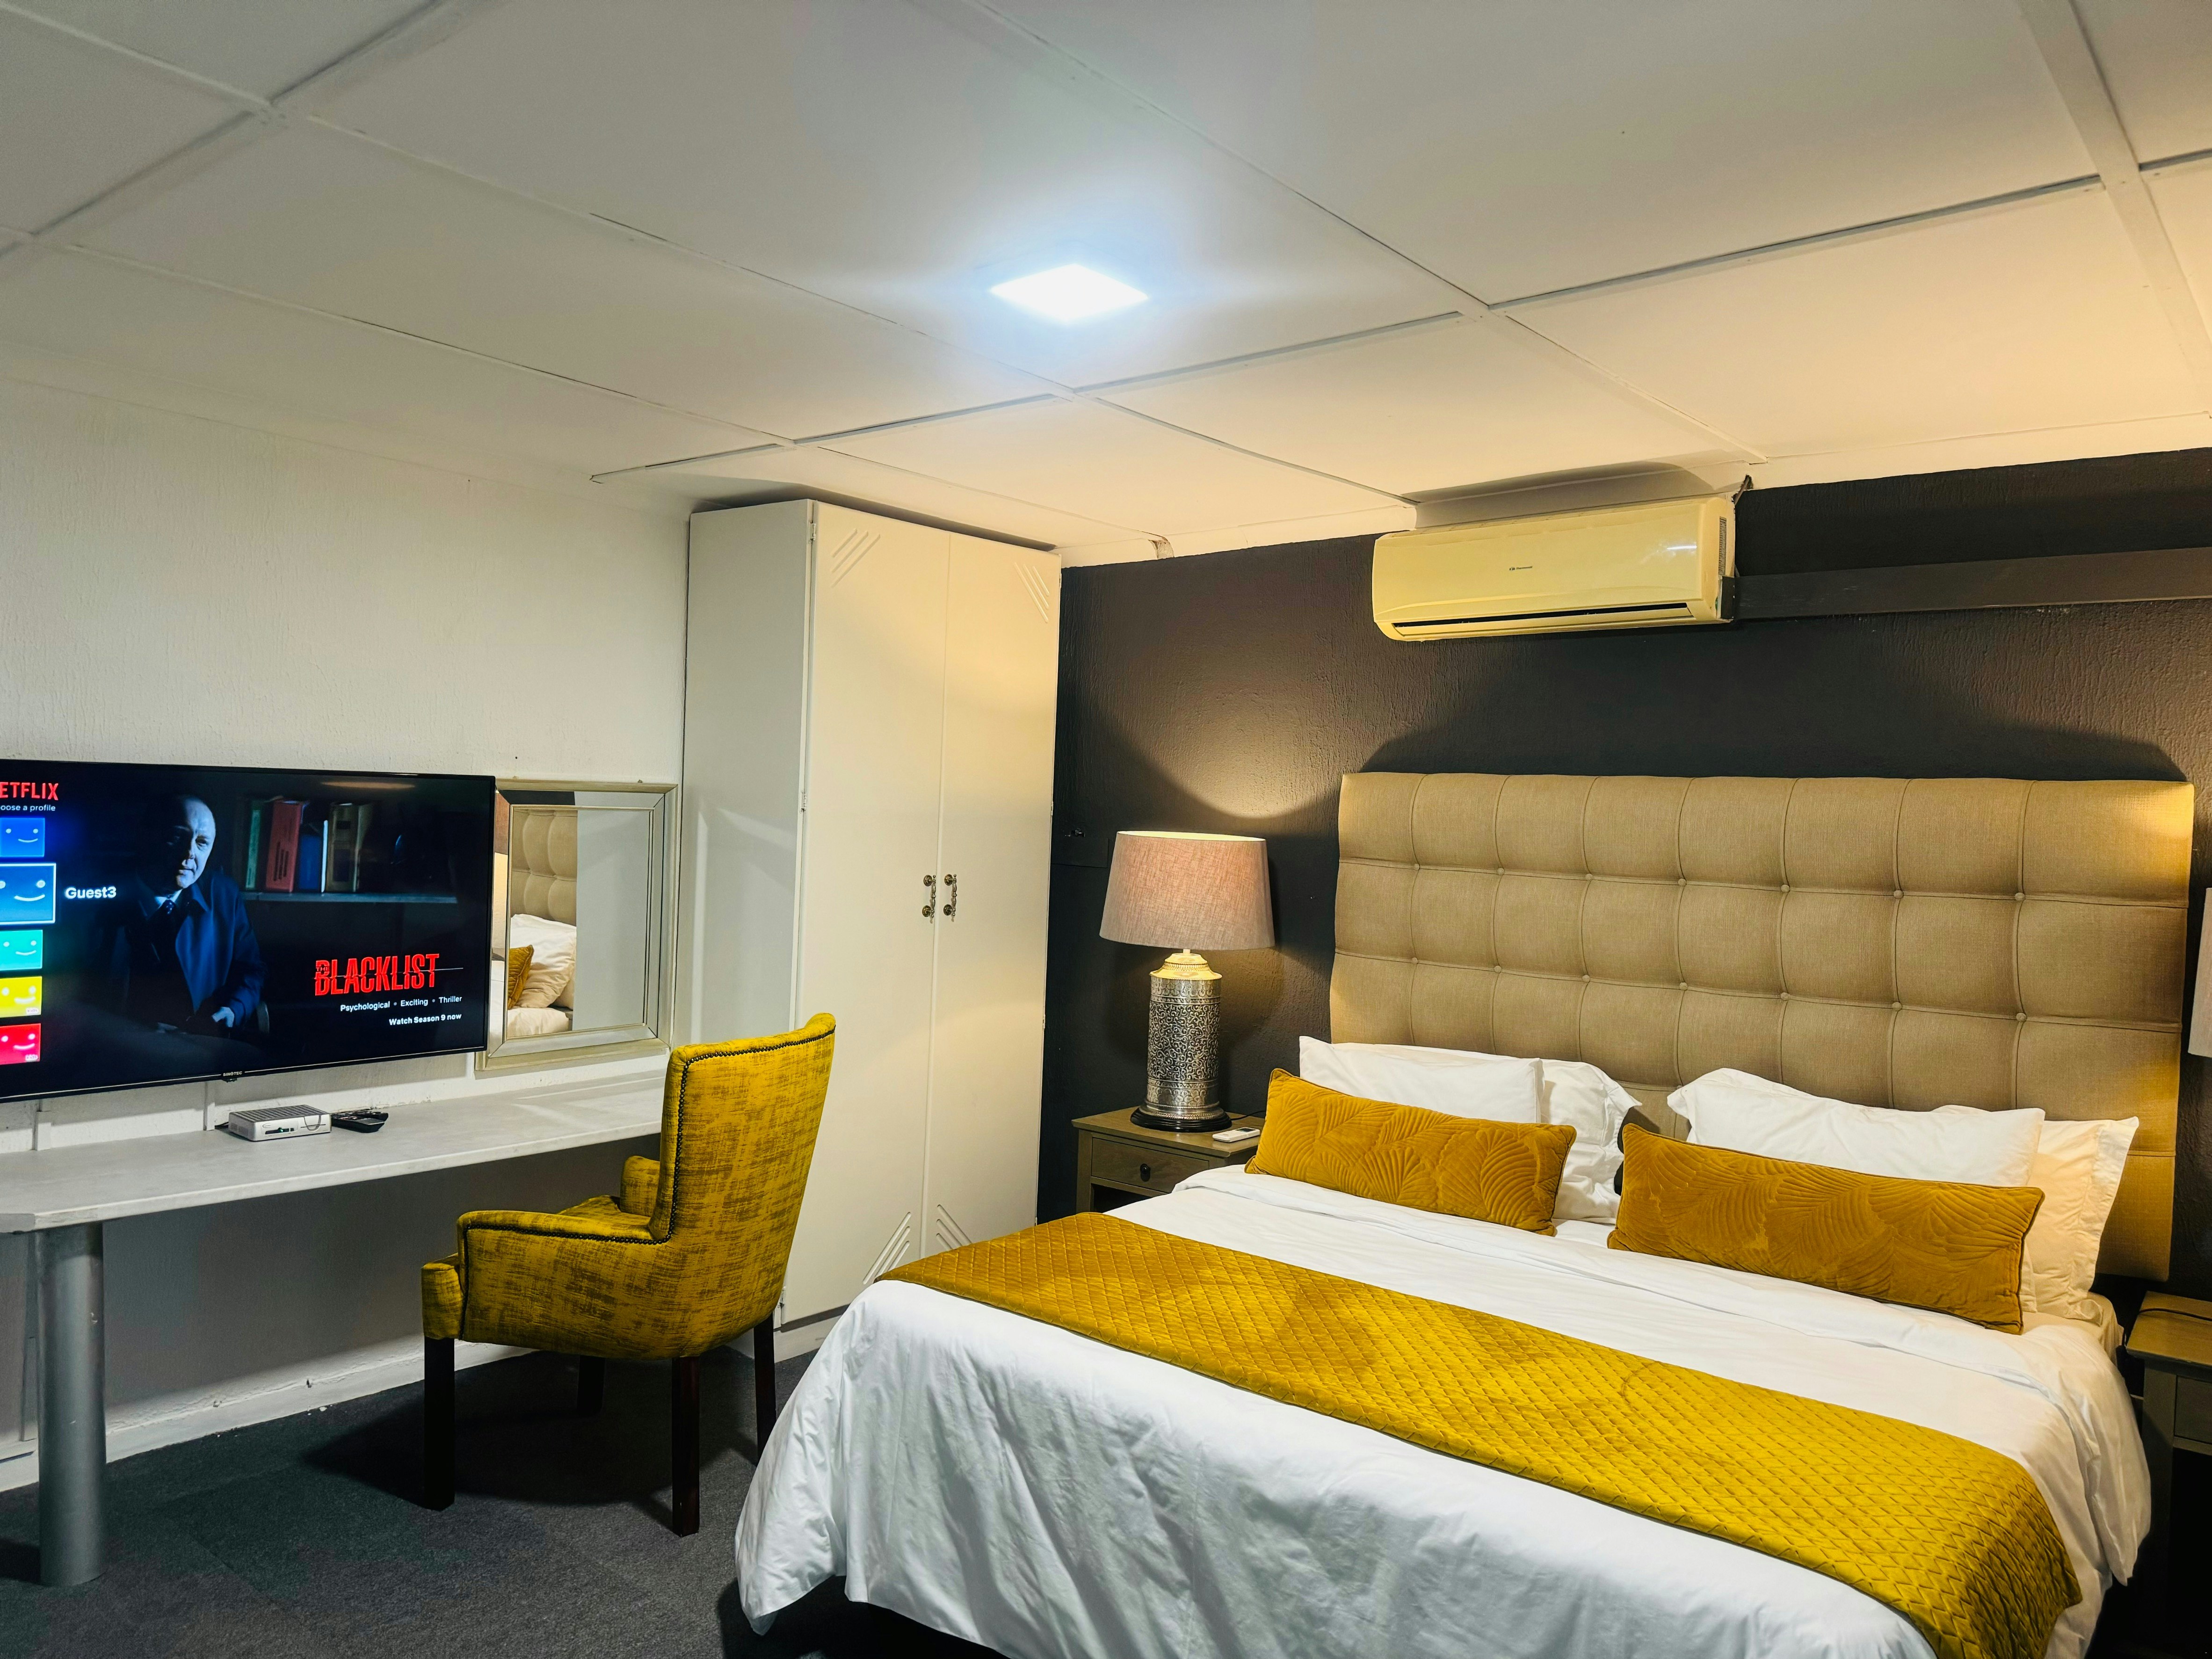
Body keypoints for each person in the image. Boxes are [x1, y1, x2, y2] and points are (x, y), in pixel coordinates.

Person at [94, 794, 265, 1035]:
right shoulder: (94, 895)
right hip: (116, 1046)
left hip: (205, 1046)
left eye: (202, 842)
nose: (189, 853)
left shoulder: (224, 894)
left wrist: (234, 1009)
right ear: (146, 838)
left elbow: (251, 971)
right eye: (177, 837)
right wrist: (132, 1030)